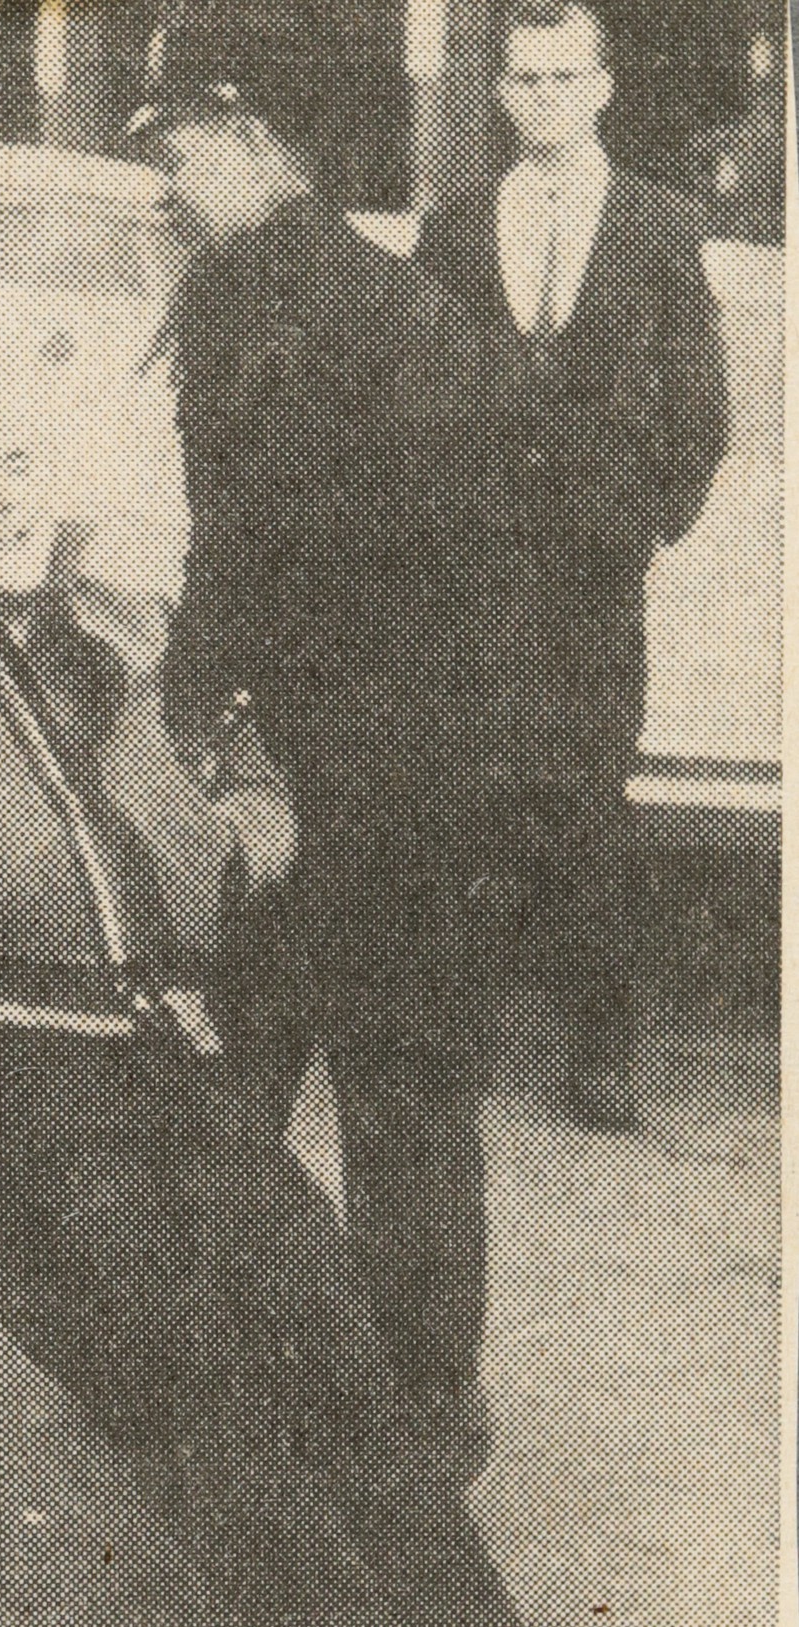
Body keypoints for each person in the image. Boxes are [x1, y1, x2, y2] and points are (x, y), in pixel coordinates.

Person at [0, 375, 694, 1627]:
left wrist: (237, 838)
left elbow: (253, 768)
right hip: (8, 1081)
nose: (1, 495)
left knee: (338, 1350)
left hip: (169, 1057)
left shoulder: (126, 625)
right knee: (198, 1387)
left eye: (12, 460)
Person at [125, 26, 521, 1453]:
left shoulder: (259, 306)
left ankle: (234, 1383)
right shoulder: (402, 306)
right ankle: (426, 1395)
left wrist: (184, 725)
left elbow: (244, 553)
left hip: (300, 776)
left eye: (174, 155)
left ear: (248, 134)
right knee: (401, 1094)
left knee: (236, 1079)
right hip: (424, 776)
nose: (163, 189)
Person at [415, 0, 729, 1132]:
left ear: (602, 88)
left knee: (589, 798)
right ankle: (464, 1034)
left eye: (562, 78)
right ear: (498, 93)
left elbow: (700, 405)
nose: (540, 99)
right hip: (477, 557)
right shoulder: (454, 227)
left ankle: (601, 1046)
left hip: (595, 565)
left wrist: (648, 518)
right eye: (521, 81)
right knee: (473, 792)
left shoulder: (658, 225)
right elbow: (420, 389)